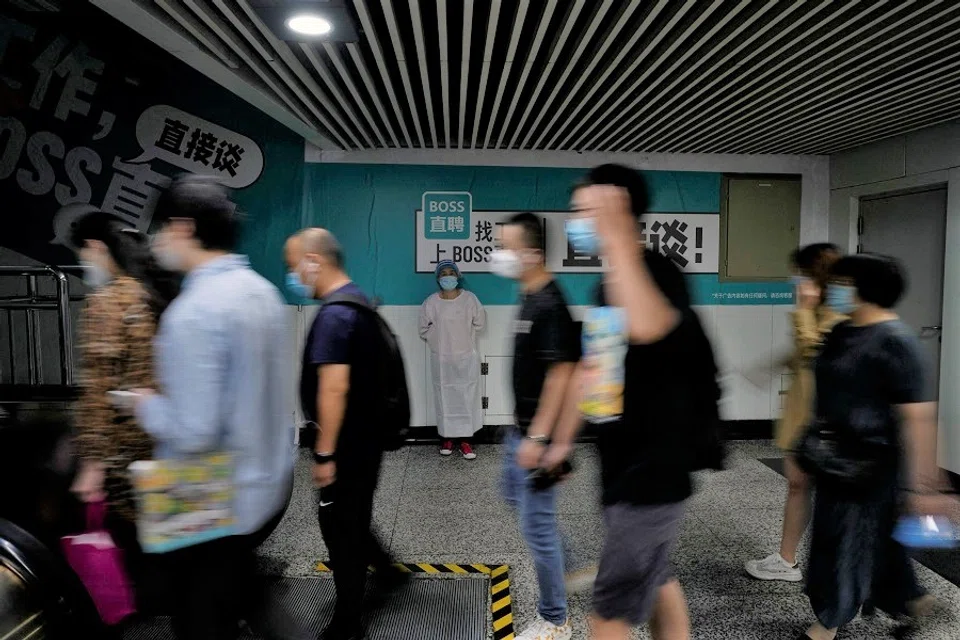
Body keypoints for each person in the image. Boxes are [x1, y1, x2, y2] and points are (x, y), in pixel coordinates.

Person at [548, 164, 722, 640]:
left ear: (619, 211)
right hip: (624, 466)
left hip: (653, 472)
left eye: (586, 211)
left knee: (609, 612)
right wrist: (559, 444)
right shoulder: (607, 284)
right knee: (659, 577)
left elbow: (648, 327)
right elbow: (597, 377)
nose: (577, 223)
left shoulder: (657, 271)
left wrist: (620, 237)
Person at [134, 175, 295, 640]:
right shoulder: (262, 293)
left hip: (201, 494)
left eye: (160, 229)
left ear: (183, 228)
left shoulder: (195, 311)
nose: (157, 242)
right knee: (241, 597)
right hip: (260, 484)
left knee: (199, 618)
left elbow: (193, 430)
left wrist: (146, 405)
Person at [797, 254, 946, 640]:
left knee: (846, 538)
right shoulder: (843, 330)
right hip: (833, 456)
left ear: (864, 289)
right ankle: (910, 600)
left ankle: (829, 621)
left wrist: (923, 486)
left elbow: (919, 417)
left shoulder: (897, 343)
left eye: (841, 282)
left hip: (871, 463)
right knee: (874, 537)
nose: (834, 289)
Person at [285, 227, 406, 640]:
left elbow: (333, 388)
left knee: (340, 530)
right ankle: (388, 571)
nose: (295, 276)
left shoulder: (335, 315)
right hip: (366, 442)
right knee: (353, 516)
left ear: (314, 260)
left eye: (294, 266)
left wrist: (323, 455)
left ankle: (348, 622)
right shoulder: (359, 304)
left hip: (345, 447)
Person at [69, 210, 179, 615]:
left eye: (83, 253)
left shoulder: (107, 302)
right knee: (159, 532)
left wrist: (93, 461)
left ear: (97, 248)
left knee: (128, 533)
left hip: (122, 446)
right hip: (159, 438)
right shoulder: (155, 295)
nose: (84, 263)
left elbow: (99, 386)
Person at [492, 212, 579, 640]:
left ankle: (555, 618)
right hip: (521, 431)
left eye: (507, 247)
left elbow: (562, 374)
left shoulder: (550, 303)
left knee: (536, 526)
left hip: (536, 437)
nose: (500, 255)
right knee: (512, 495)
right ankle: (569, 566)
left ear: (533, 253)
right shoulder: (529, 296)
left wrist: (541, 439)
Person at [745, 243, 843, 582]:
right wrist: (769, 367)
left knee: (814, 490)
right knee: (799, 486)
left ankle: (822, 566)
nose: (795, 279)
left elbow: (815, 349)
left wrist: (803, 308)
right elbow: (803, 353)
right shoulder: (822, 308)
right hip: (807, 411)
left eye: (800, 272)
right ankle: (787, 560)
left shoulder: (835, 310)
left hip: (821, 415)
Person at [419, 260, 485, 459]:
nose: (448, 276)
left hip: (466, 358)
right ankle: (446, 439)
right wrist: (438, 339)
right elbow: (423, 328)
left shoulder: (469, 299)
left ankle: (466, 441)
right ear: (438, 278)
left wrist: (464, 338)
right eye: (444, 273)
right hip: (442, 361)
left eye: (451, 272)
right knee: (444, 399)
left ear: (458, 275)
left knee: (466, 399)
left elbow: (480, 322)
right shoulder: (431, 302)